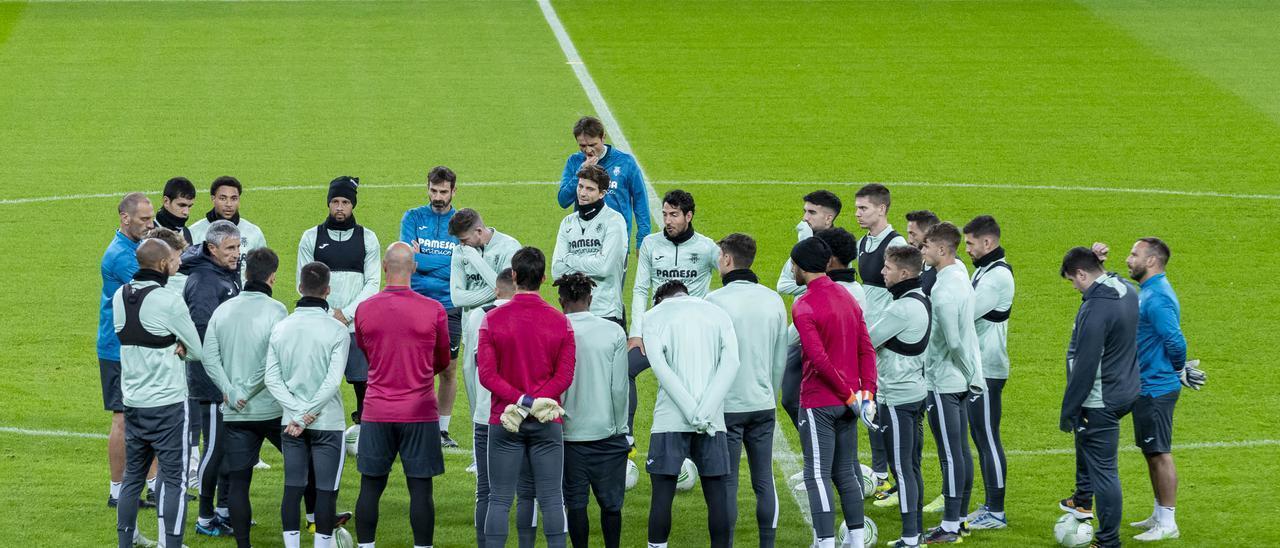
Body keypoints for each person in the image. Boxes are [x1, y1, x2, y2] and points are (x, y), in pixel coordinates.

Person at [353, 242, 452, 548]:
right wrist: (418, 371)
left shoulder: (365, 308)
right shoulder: (433, 309)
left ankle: (366, 546)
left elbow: (366, 350)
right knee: (420, 489)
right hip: (420, 411)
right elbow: (442, 361)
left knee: (370, 486)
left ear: (384, 267)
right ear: (414, 267)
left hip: (377, 409)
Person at [477, 247, 576, 548]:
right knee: (551, 497)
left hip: (505, 421)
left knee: (499, 498)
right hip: (547, 421)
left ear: (515, 276)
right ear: (544, 278)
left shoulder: (492, 320)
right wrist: (535, 402)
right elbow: (564, 376)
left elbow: (487, 375)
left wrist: (521, 402)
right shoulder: (561, 322)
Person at [1095, 238, 1193, 542]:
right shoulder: (1149, 290)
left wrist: (1179, 369)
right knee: (1151, 451)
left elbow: (1176, 340)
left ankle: (1168, 521)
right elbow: (1120, 290)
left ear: (1151, 261)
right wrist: (1099, 264)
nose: (1128, 259)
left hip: (1157, 387)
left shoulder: (1158, 296)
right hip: (1146, 384)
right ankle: (1158, 513)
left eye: (1134, 255)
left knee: (1160, 452)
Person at [113, 237, 204, 548]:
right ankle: (174, 545)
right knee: (175, 481)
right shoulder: (168, 300)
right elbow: (197, 349)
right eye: (173, 261)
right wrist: (179, 346)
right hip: (168, 405)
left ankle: (124, 543)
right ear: (164, 265)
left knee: (132, 479)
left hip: (133, 402)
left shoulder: (118, 296)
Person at [201, 247, 294, 548]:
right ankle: (315, 527)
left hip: (235, 413)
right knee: (301, 471)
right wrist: (247, 391)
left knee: (239, 482)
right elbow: (273, 360)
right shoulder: (277, 310)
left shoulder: (222, 310)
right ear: (272, 277)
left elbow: (208, 356)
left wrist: (229, 390)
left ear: (245, 273)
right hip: (271, 411)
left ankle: (244, 545)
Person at [789, 237, 877, 548]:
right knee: (844, 473)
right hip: (849, 403)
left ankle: (825, 542)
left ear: (798, 267)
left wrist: (852, 396)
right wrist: (866, 394)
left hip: (820, 402)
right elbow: (866, 349)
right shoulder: (847, 297)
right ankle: (855, 540)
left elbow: (818, 359)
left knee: (817, 475)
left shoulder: (803, 305)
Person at [641, 280, 740, 548]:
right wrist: (704, 412)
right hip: (712, 421)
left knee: (661, 495)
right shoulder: (718, 313)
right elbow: (732, 363)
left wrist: (690, 411)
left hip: (669, 420)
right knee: (717, 495)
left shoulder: (652, 316)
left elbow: (661, 369)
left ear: (660, 299)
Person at [705, 233, 787, 548]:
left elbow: (709, 359)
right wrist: (770, 394)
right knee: (764, 480)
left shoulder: (714, 301)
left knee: (727, 483)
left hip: (727, 407)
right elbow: (780, 358)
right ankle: (768, 543)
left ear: (727, 259)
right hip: (763, 403)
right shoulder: (773, 300)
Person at [1057, 247, 1141, 548]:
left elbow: (1085, 364)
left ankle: (1108, 541)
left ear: (1082, 274)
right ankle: (1081, 499)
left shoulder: (1095, 309)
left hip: (1100, 397)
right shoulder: (1126, 290)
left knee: (1105, 471)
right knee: (1089, 447)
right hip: (1126, 388)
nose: (1075, 287)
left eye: (1073, 281)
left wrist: (1069, 410)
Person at [264, 262, 351, 548]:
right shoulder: (337, 330)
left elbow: (271, 379)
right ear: (328, 291)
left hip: (290, 423)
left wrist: (296, 414)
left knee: (293, 487)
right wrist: (307, 415)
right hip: (326, 422)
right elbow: (332, 381)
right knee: (326, 491)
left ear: (300, 288)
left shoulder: (281, 328)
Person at [627, 189, 720, 441]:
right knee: (625, 370)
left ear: (688, 216)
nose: (667, 220)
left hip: (693, 334)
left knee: (690, 386)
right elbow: (640, 288)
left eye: (674, 215)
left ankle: (701, 439)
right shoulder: (651, 244)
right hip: (655, 330)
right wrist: (636, 333)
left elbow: (729, 277)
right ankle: (627, 439)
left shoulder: (706, 248)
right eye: (665, 214)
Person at [463, 270, 540, 548]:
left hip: (487, 416)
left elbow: (469, 367)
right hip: (526, 413)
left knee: (486, 492)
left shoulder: (478, 315)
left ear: (497, 290)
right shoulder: (533, 313)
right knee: (527, 491)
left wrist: (477, 407)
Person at [296, 176, 381, 426]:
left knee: (363, 381)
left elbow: (373, 283)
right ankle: (314, 423)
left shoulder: (368, 238)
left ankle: (365, 429)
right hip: (322, 324)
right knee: (316, 380)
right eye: (335, 201)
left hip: (357, 326)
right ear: (328, 203)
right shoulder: (311, 237)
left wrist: (347, 314)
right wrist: (328, 314)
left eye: (345, 202)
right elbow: (304, 284)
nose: (340, 207)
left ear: (353, 204)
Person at [919, 222, 983, 544]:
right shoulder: (959, 272)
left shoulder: (942, 290)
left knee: (949, 453)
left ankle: (950, 526)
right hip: (960, 380)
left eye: (926, 246)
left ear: (942, 250)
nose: (922, 251)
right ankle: (960, 519)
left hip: (945, 381)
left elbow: (955, 343)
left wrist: (967, 372)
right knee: (960, 450)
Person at [556, 273, 631, 548]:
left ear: (560, 299)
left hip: (566, 435)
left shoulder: (554, 328)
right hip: (606, 434)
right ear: (591, 298)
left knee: (575, 503)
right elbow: (620, 388)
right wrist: (622, 428)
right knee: (611, 505)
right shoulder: (613, 331)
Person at [868, 246, 932, 548]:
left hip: (897, 397)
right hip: (916, 392)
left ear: (904, 273)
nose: (882, 272)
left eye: (888, 267)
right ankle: (915, 532)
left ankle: (910, 537)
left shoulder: (901, 308)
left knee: (903, 468)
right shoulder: (920, 298)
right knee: (911, 465)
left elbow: (867, 340)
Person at [183, 219, 243, 537]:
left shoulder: (225, 272)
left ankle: (223, 510)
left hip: (227, 375)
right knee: (215, 447)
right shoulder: (205, 280)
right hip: (212, 380)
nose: (237, 253)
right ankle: (205, 516)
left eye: (238, 246)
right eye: (230, 248)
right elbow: (203, 332)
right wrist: (220, 380)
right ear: (212, 248)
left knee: (229, 447)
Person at [401, 166, 465, 448]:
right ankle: (414, 424)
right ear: (427, 187)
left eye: (443, 191)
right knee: (414, 366)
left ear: (453, 191)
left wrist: (424, 261)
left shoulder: (463, 222)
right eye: (433, 190)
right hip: (416, 304)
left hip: (450, 304)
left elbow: (461, 265)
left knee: (448, 369)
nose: (437, 196)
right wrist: (445, 264)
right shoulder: (413, 217)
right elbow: (408, 261)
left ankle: (441, 430)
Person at [100, 193, 156, 511]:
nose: (150, 224)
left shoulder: (136, 247)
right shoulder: (121, 255)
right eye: (144, 220)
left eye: (151, 218)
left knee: (149, 413)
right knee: (122, 418)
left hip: (137, 345)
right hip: (117, 348)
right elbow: (152, 287)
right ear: (125, 218)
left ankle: (153, 486)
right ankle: (118, 491)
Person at [961, 215, 1013, 530]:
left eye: (969, 243)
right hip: (980, 366)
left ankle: (996, 511)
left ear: (987, 242)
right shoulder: (985, 269)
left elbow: (963, 313)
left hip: (987, 369)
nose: (966, 248)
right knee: (981, 436)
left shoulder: (996, 277)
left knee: (987, 437)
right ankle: (991, 507)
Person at [556, 115, 651, 251]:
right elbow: (563, 200)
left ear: (603, 137)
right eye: (582, 145)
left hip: (616, 241)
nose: (588, 150)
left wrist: (642, 239)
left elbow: (640, 201)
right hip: (582, 243)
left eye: (592, 145)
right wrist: (581, 171)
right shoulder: (574, 162)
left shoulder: (626, 162)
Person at [552, 165, 629, 327]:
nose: (582, 193)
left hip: (605, 312)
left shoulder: (614, 221)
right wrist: (593, 260)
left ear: (602, 193)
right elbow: (557, 271)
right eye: (580, 186)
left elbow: (603, 268)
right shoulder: (567, 223)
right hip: (573, 313)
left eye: (590, 189)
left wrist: (570, 259)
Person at [188, 176, 268, 273]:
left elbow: (263, 270)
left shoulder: (254, 233)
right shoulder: (194, 232)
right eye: (223, 198)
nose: (229, 204)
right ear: (213, 199)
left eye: (234, 199)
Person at [776, 190, 842, 296]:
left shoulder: (839, 248)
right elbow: (782, 285)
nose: (805, 218)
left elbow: (837, 286)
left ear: (828, 218)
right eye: (805, 211)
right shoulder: (807, 236)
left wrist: (805, 241)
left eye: (812, 212)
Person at [155, 177, 197, 296]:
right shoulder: (148, 235)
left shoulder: (187, 233)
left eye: (189, 206)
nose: (186, 212)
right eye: (181, 205)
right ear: (166, 201)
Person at [904, 210, 940, 295]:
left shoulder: (948, 265)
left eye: (913, 234)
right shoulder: (924, 261)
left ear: (928, 233)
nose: (909, 241)